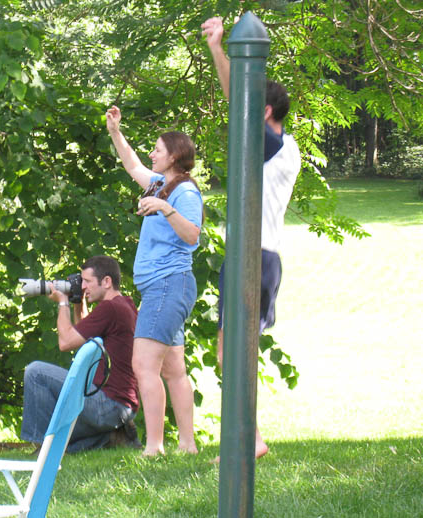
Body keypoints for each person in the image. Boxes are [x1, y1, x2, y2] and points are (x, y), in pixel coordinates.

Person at [202, 17, 302, 459]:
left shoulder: (278, 147)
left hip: (253, 256)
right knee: (234, 352)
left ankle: (249, 439)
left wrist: (218, 49)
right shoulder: (279, 146)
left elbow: (233, 100)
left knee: (234, 353)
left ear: (263, 112)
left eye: (250, 104)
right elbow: (236, 104)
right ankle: (250, 437)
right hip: (257, 256)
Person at [106, 107, 204, 456]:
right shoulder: (162, 184)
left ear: (174, 156)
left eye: (158, 150)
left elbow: (192, 235)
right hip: (162, 288)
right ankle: (188, 446)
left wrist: (165, 209)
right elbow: (132, 164)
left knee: (143, 365)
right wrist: (116, 132)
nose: (151, 153)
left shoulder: (184, 194)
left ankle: (154, 447)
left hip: (168, 285)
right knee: (173, 370)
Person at [20, 255, 141, 452]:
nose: (83, 286)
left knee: (36, 372)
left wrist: (62, 303)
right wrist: (78, 302)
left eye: (87, 281)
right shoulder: (124, 304)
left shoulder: (110, 308)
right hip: (120, 407)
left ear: (107, 282)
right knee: (66, 439)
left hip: (108, 404)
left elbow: (66, 342)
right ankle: (107, 436)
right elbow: (85, 335)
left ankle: (43, 445)